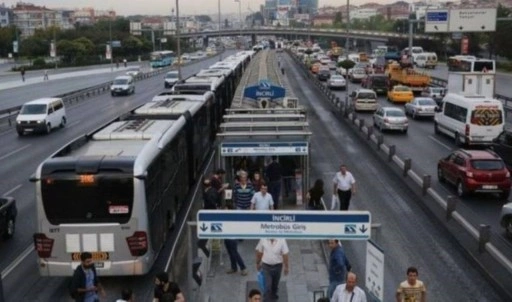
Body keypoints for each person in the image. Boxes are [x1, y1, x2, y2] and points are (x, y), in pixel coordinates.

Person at [197, 178, 221, 258]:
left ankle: (208, 254)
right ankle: (208, 253)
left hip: (209, 216)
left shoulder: (208, 193)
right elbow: (218, 200)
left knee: (202, 241)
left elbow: (212, 202)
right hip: (212, 215)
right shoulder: (214, 190)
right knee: (205, 238)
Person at [224, 204, 248, 275]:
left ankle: (243, 268)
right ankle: (233, 267)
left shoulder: (234, 217)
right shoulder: (225, 216)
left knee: (234, 253)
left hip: (233, 238)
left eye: (226, 209)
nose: (225, 210)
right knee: (230, 253)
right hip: (226, 236)